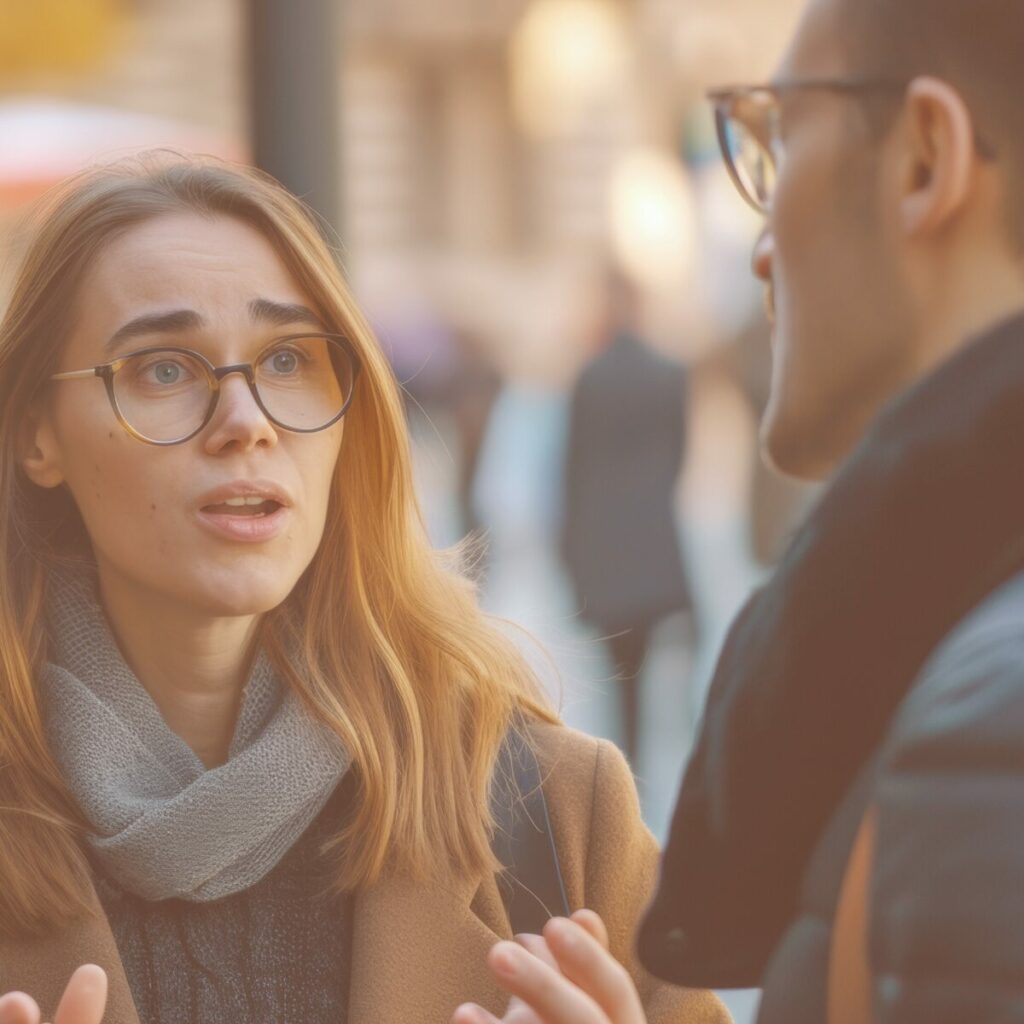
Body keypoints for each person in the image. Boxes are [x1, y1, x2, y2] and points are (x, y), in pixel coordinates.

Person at [0, 155, 729, 1024]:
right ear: (36, 433)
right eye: (164, 369)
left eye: (287, 360)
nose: (247, 424)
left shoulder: (556, 815)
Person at [457, 0, 1024, 1021]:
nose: (758, 247)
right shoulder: (944, 646)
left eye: (773, 139)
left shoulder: (993, 710)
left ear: (924, 160)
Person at [560, 270, 694, 766]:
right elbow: (679, 458)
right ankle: (636, 761)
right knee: (650, 667)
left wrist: (570, 550)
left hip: (605, 549)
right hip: (653, 544)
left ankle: (624, 764)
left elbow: (572, 470)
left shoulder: (589, 377)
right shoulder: (669, 373)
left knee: (618, 675)